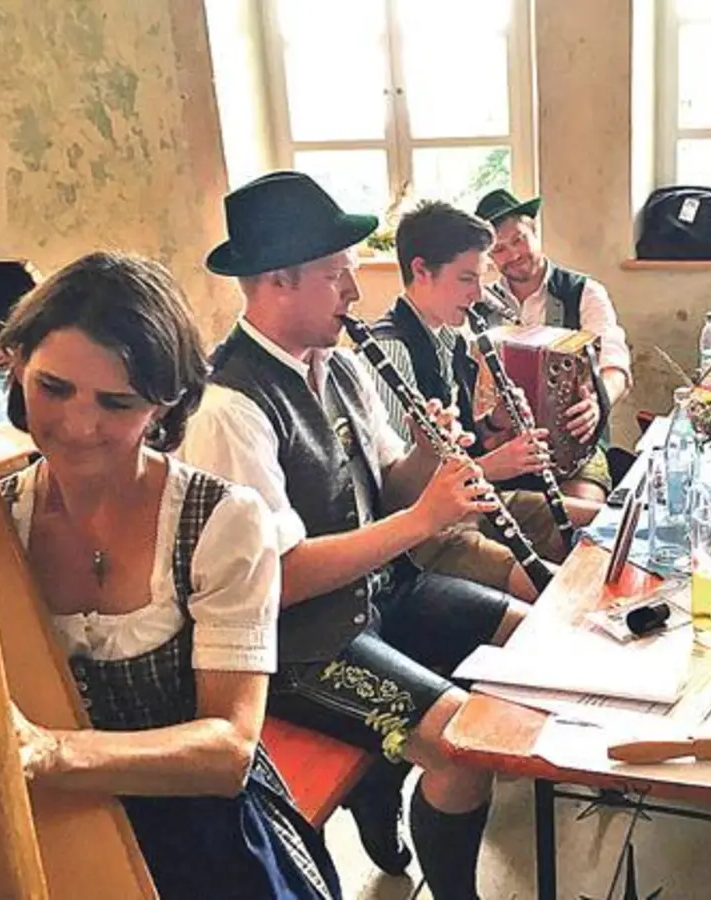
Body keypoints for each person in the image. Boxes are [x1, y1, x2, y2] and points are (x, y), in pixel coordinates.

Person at [181, 171, 528, 900]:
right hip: (301, 645)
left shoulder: (340, 366)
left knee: (528, 637)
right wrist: (423, 519)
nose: (352, 290)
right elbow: (277, 580)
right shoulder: (229, 407)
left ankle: (384, 777)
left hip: (379, 597)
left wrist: (432, 453)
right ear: (278, 280)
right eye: (337, 274)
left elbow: (393, 482)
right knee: (462, 748)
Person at [0, 251, 339, 900]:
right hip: (53, 828)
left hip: (202, 830)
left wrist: (49, 753)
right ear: (17, 368)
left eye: (117, 402)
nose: (80, 425)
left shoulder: (221, 522)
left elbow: (228, 750)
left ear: (164, 405)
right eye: (54, 388)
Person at [361, 200, 602, 601]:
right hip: (427, 540)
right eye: (466, 279)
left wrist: (496, 423)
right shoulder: (391, 351)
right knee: (568, 593)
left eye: (480, 278)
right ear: (421, 271)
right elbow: (397, 495)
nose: (478, 295)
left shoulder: (451, 338)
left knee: (604, 523)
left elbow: (457, 444)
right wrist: (493, 467)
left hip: (474, 505)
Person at [475, 188, 632, 501]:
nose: (513, 255)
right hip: (505, 450)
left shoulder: (584, 292)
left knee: (581, 511)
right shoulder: (479, 306)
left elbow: (616, 366)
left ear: (535, 231)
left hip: (577, 449)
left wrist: (597, 403)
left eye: (519, 239)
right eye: (499, 249)